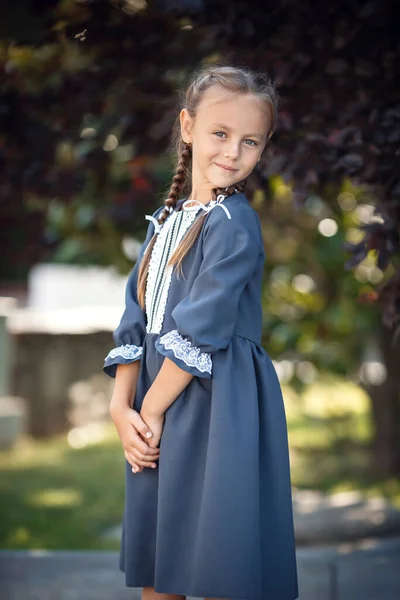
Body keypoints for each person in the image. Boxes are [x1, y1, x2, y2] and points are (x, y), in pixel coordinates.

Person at [103, 65, 298, 600]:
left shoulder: (234, 224)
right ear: (187, 126)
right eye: (220, 133)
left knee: (218, 564)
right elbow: (133, 323)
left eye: (250, 141)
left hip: (215, 407)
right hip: (153, 403)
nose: (233, 152)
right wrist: (122, 410)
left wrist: (151, 412)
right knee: (160, 566)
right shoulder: (163, 222)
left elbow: (202, 331)